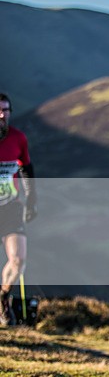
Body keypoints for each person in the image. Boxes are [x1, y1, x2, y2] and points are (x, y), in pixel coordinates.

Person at [0, 93, 37, 326]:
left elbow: (26, 168)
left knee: (18, 260)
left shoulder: (18, 138)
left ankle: (2, 299)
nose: (2, 115)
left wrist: (31, 198)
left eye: (6, 110)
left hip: (11, 207)